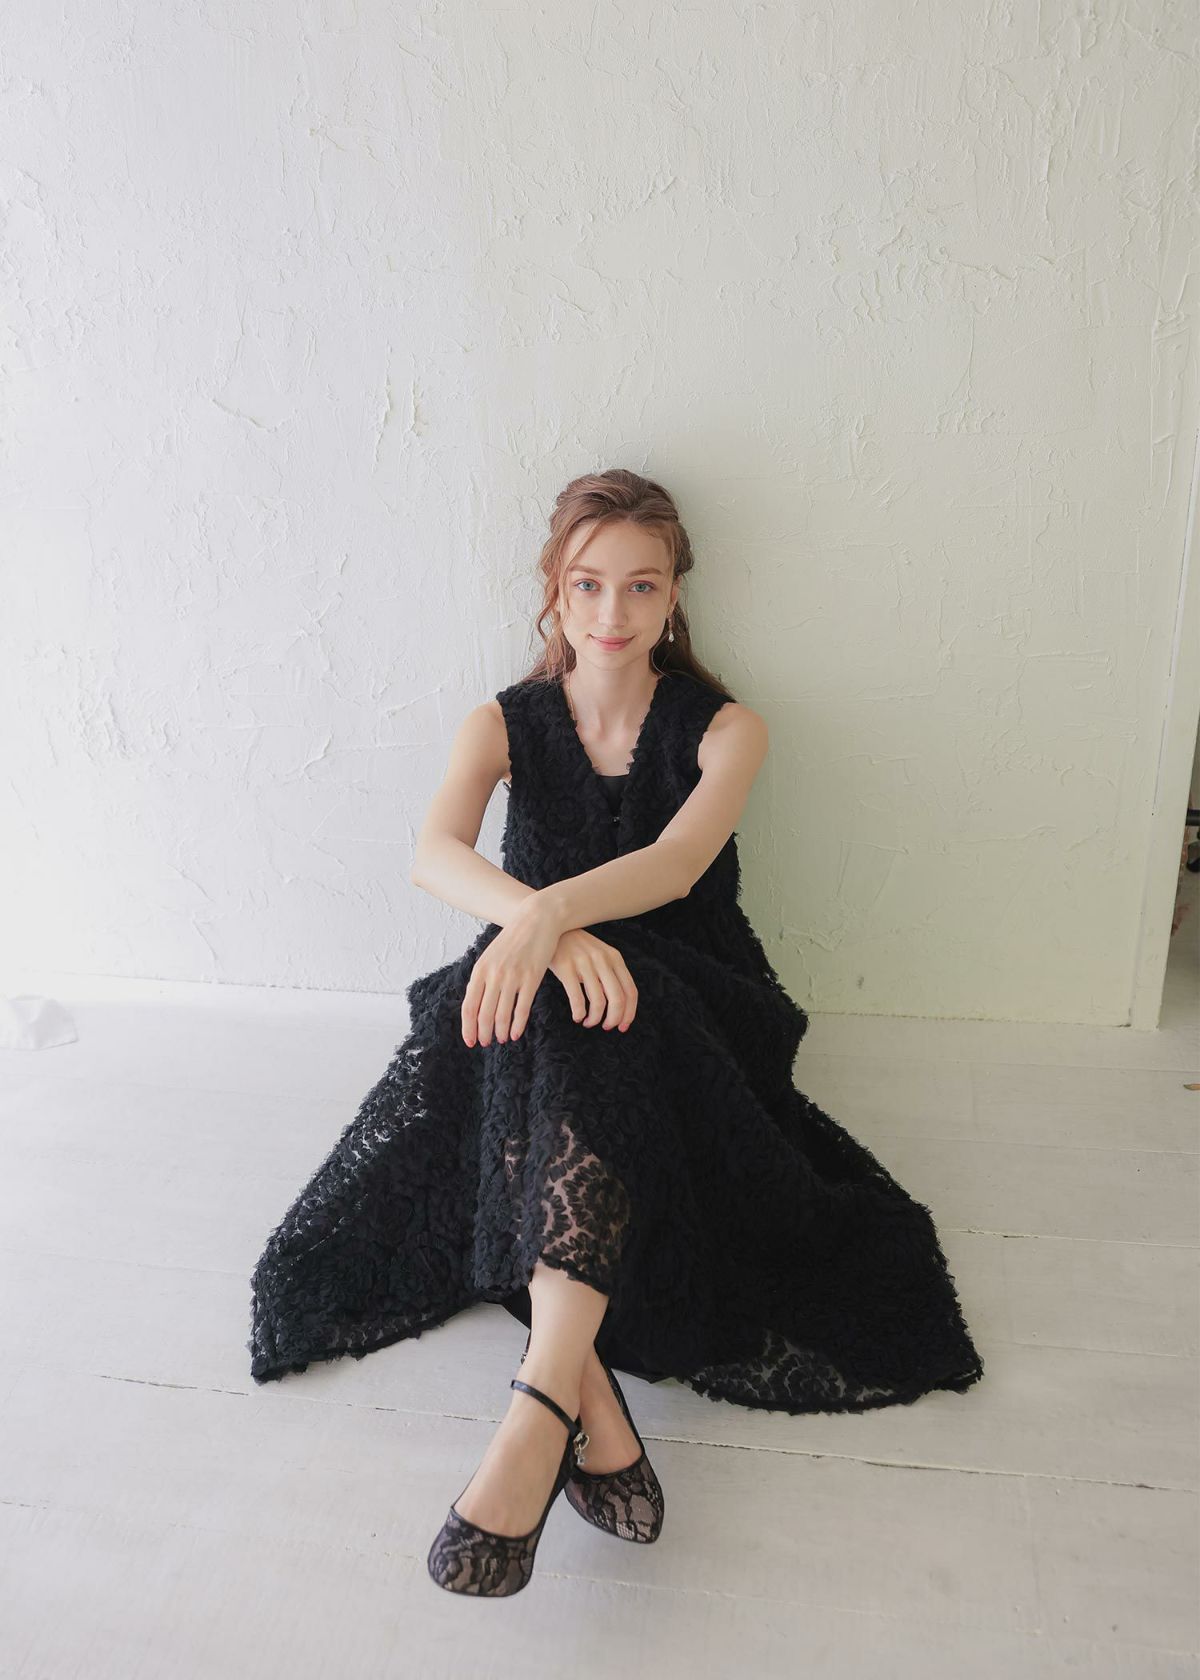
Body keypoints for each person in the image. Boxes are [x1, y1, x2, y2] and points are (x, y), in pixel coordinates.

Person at [246, 468, 985, 1598]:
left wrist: (545, 916)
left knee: (597, 1017)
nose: (612, 611)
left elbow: (677, 866)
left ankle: (534, 1410)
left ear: (674, 593)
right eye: (588, 583)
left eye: (641, 585)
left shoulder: (727, 728)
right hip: (537, 980)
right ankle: (571, 1396)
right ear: (554, 588)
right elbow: (433, 853)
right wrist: (542, 934)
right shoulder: (503, 722)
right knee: (542, 1019)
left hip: (694, 988)